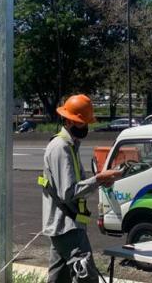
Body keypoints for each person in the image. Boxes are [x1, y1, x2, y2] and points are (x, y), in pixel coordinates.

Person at [39, 94, 122, 283]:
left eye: (86, 123)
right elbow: (68, 192)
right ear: (68, 121)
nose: (85, 127)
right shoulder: (61, 147)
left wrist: (100, 181)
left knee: (59, 278)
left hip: (66, 225)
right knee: (86, 277)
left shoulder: (70, 146)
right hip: (67, 226)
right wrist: (99, 178)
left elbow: (77, 186)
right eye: (81, 122)